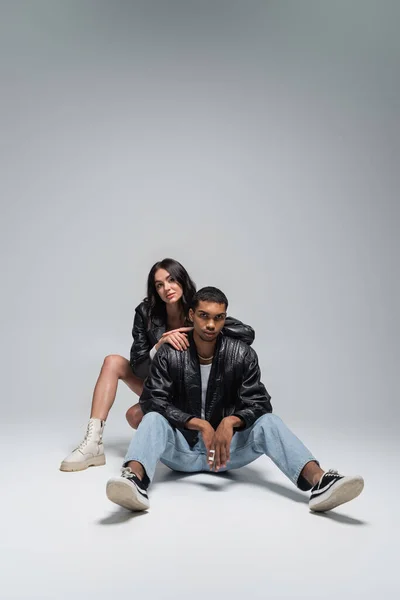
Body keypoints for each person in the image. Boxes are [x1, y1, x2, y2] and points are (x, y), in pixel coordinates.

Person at [106, 286, 364, 514]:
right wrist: (199, 424)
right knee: (152, 418)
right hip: (182, 450)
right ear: (191, 316)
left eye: (218, 318)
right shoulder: (170, 354)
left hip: (227, 452)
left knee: (268, 422)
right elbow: (153, 401)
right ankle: (134, 481)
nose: (210, 325)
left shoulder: (242, 354)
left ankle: (320, 483)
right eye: (204, 316)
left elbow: (260, 402)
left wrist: (230, 422)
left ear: (224, 319)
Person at [60, 260, 255, 472]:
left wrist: (192, 330)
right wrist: (160, 345)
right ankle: (93, 444)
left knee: (136, 415)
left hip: (190, 389)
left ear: (182, 280)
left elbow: (246, 333)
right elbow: (139, 367)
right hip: (160, 384)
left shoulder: (200, 307)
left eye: (171, 280)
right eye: (159, 285)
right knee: (113, 364)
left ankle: (180, 438)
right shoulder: (146, 313)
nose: (166, 288)